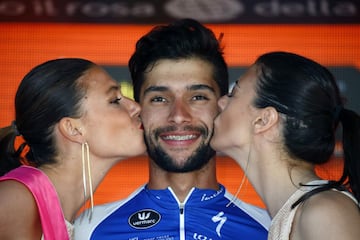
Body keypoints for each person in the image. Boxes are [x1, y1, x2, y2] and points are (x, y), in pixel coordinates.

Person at [74, 18, 271, 239]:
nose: (178, 116)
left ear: (222, 106)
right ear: (138, 110)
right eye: (159, 99)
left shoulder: (271, 229)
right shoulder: (89, 230)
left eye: (198, 97)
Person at [210, 51, 360, 240]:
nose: (221, 102)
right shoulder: (297, 214)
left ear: (264, 120)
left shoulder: (325, 212)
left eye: (233, 93)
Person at [0, 58, 146, 240]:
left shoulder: (63, 218)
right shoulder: (15, 200)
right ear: (73, 129)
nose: (136, 107)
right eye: (115, 100)